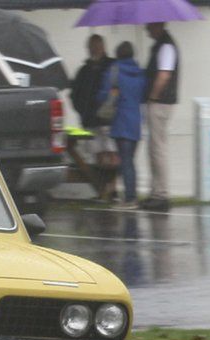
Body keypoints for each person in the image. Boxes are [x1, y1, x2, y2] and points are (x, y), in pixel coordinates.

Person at [97, 41, 145, 209]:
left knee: (125, 162)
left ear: (117, 54)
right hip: (136, 121)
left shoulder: (114, 71)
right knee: (130, 161)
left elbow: (104, 95)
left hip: (120, 120)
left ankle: (130, 198)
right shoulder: (140, 73)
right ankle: (129, 195)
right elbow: (143, 95)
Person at [70, 34, 117, 200]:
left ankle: (113, 188)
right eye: (91, 47)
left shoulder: (112, 66)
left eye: (96, 46)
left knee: (112, 153)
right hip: (90, 119)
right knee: (98, 154)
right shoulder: (84, 70)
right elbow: (75, 94)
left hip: (109, 120)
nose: (94, 50)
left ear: (103, 47)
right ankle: (102, 188)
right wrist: (81, 110)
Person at [142, 22, 180, 212]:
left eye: (149, 27)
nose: (146, 29)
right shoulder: (162, 45)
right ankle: (156, 192)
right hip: (160, 102)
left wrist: (153, 97)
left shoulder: (165, 46)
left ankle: (161, 195)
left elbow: (164, 75)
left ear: (158, 26)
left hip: (160, 102)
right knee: (154, 149)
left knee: (157, 149)